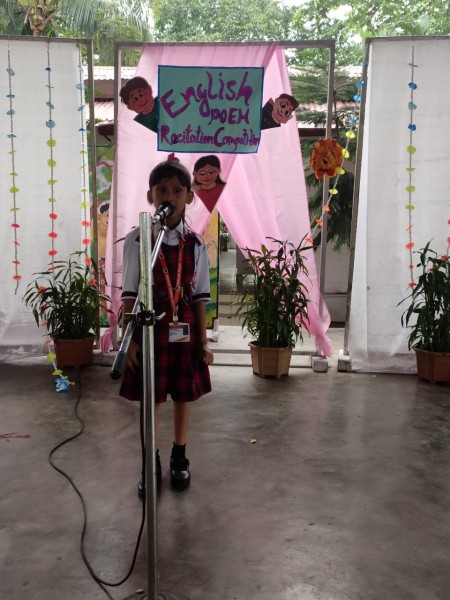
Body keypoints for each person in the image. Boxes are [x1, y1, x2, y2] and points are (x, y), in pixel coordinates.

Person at [120, 155, 214, 495]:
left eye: (177, 190)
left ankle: (179, 456)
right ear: (151, 196)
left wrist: (203, 342)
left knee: (182, 395)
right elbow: (129, 294)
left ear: (189, 196)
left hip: (184, 325)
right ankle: (151, 460)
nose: (169, 197)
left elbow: (200, 297)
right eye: (162, 190)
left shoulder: (197, 244)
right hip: (149, 327)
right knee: (152, 397)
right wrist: (129, 339)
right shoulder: (138, 239)